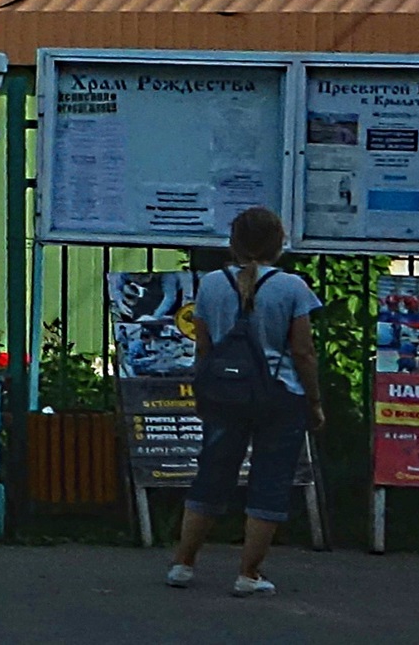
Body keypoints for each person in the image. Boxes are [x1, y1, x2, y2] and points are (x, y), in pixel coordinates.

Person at [168, 207, 325, 595]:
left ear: (233, 242)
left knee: (213, 473)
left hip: (224, 395)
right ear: (278, 244)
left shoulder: (211, 285)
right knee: (270, 480)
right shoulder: (292, 288)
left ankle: (183, 563)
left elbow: (204, 345)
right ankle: (248, 573)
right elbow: (303, 351)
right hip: (279, 396)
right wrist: (315, 401)